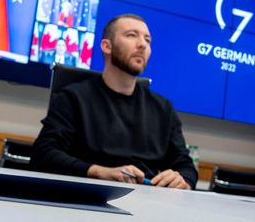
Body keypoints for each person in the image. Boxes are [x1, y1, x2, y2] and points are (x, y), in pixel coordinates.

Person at [31, 14, 198, 189]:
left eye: (147, 40)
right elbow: (43, 154)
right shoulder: (74, 98)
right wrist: (98, 172)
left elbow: (186, 166)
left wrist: (182, 180)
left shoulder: (164, 109)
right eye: (131, 35)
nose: (142, 44)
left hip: (148, 205)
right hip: (90, 196)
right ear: (107, 46)